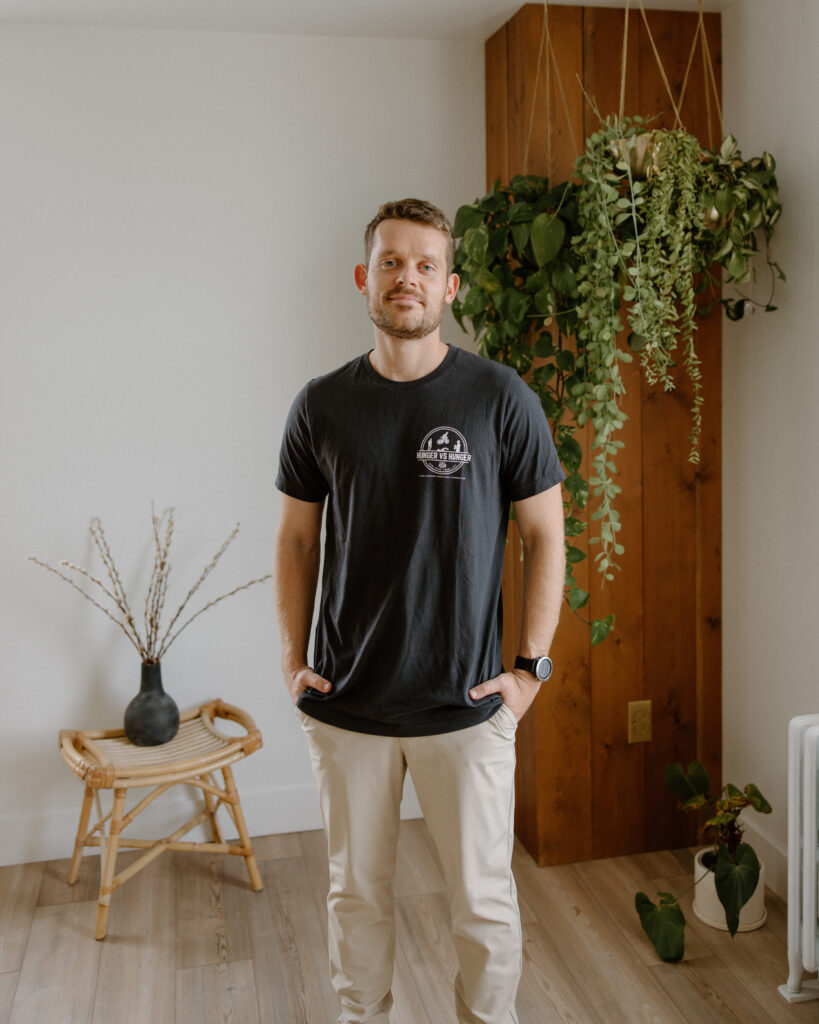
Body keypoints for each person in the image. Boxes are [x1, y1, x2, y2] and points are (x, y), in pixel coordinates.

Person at [273, 198, 565, 1024]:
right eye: (392, 263)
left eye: (425, 265)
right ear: (366, 279)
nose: (408, 278)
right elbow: (296, 543)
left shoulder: (499, 398)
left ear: (450, 285)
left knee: (482, 904)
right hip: (348, 701)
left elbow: (546, 536)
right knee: (355, 901)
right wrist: (292, 664)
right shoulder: (320, 405)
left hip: (466, 706)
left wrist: (529, 670)